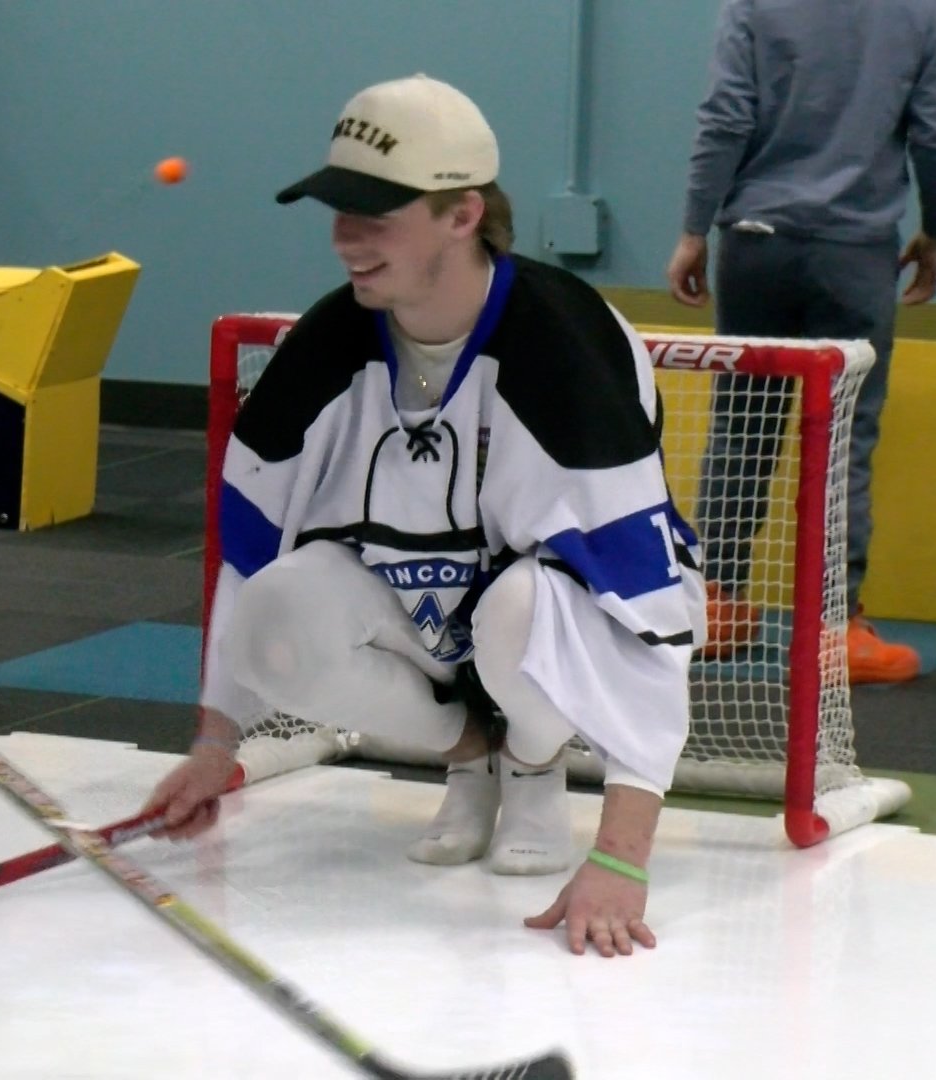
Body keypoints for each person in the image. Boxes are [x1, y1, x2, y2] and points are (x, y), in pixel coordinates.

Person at [143, 75, 706, 959]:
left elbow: (649, 615)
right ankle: (465, 753)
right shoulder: (321, 351)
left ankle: (530, 765)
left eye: (376, 214)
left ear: (462, 215)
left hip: (555, 615)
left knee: (517, 609)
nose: (345, 240)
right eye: (338, 211)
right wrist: (216, 743)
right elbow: (247, 561)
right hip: (425, 614)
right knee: (274, 622)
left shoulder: (562, 350)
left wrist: (624, 860)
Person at [665, 0, 936, 684]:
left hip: (753, 242)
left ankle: (716, 602)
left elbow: (725, 117)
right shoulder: (922, 14)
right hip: (855, 250)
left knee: (741, 428)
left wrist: (692, 229)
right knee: (845, 439)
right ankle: (838, 628)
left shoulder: (752, 4)